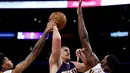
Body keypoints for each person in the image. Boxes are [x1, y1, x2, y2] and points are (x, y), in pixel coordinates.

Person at [76, 0, 120, 72]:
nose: (103, 59)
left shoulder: (96, 64)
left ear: (106, 61)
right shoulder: (96, 65)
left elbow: (84, 39)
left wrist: (80, 15)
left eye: (105, 58)